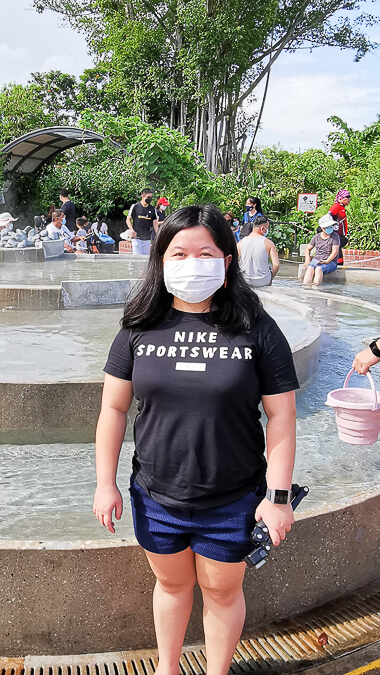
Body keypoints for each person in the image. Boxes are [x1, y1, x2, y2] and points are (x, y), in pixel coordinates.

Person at [94, 204, 298, 675]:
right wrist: (105, 483)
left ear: (226, 260)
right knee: (170, 586)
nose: (191, 263)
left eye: (204, 252)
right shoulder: (138, 327)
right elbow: (114, 408)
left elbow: (282, 417)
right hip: (155, 495)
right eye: (178, 253)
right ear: (160, 260)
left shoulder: (257, 328)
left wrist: (278, 497)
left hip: (232, 498)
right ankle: (167, 668)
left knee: (223, 591)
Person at [237, 216, 280, 288]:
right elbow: (276, 265)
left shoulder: (240, 244)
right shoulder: (268, 243)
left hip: (245, 280)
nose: (267, 230)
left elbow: (233, 264)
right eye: (267, 228)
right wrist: (271, 278)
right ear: (262, 228)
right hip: (263, 281)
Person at [303, 213, 340, 287]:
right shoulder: (316, 237)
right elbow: (308, 249)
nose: (330, 228)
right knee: (310, 268)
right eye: (328, 227)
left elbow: (335, 252)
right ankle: (305, 287)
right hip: (317, 260)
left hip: (330, 262)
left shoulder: (335, 236)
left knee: (319, 269)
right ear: (323, 228)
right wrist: (307, 260)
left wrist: (327, 261)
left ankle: (316, 286)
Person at [126, 189, 158, 255]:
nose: (150, 199)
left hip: (147, 239)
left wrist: (158, 234)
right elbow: (128, 219)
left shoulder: (152, 209)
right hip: (137, 238)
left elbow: (155, 223)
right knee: (137, 258)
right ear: (143, 196)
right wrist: (131, 230)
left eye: (151, 197)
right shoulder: (135, 207)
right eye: (148, 197)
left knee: (145, 259)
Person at [329, 189, 350, 265]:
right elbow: (329, 215)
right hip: (336, 233)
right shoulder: (337, 206)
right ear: (341, 198)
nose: (349, 199)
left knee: (339, 246)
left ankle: (339, 263)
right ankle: (334, 262)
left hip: (340, 234)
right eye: (347, 197)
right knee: (339, 244)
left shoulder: (342, 207)